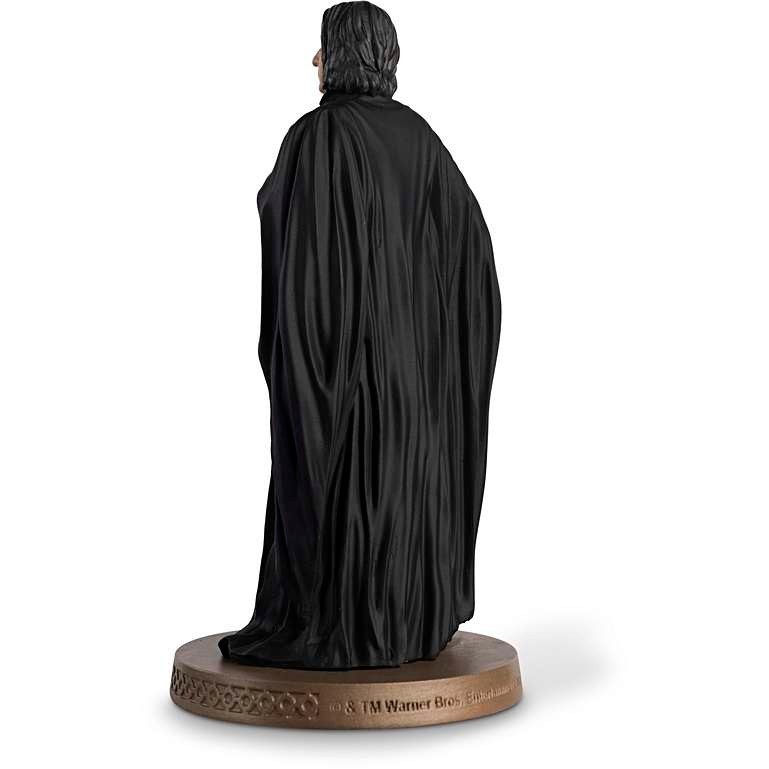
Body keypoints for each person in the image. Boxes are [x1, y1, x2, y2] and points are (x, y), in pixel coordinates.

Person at [218, 1, 502, 669]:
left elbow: (306, 274)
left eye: (324, 46)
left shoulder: (319, 136)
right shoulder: (422, 140)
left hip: (347, 383)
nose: (315, 60)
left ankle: (342, 630)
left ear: (345, 51)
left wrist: (311, 373)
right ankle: (407, 625)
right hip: (414, 392)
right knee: (401, 502)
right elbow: (476, 270)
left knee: (344, 502)